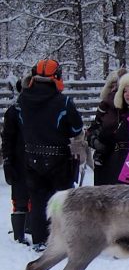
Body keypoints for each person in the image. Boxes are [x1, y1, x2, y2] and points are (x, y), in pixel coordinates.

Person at [18, 59, 83, 250]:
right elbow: (76, 127)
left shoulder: (23, 99)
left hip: (32, 156)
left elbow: (21, 124)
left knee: (38, 200)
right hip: (58, 158)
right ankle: (60, 239)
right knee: (60, 200)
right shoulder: (63, 102)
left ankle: (39, 239)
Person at [1, 79, 31, 244]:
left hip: (37, 159)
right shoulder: (13, 112)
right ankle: (19, 233)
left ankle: (33, 226)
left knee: (37, 196)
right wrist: (7, 161)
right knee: (20, 197)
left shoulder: (40, 110)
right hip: (19, 161)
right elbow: (7, 139)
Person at [85, 68, 127, 185]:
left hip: (122, 158)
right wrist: (95, 142)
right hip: (103, 159)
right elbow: (92, 129)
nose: (114, 89)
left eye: (117, 86)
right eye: (111, 86)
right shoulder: (104, 106)